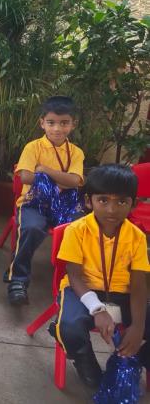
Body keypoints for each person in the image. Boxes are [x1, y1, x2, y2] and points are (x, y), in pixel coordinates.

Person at [52, 164, 150, 388]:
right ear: (89, 201)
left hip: (123, 294)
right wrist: (97, 309)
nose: (112, 209)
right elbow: (74, 276)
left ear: (133, 204)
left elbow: (138, 285)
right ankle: (87, 365)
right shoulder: (76, 230)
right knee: (69, 327)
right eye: (103, 200)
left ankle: (136, 360)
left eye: (121, 202)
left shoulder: (137, 237)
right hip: (82, 290)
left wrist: (137, 327)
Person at [5, 96, 85, 305]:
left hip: (65, 204)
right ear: (42, 123)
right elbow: (25, 176)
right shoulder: (33, 147)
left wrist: (44, 171)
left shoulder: (76, 152)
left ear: (73, 124)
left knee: (79, 227)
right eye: (51, 122)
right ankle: (18, 279)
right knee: (32, 228)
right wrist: (62, 179)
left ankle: (74, 279)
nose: (57, 128)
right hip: (34, 202)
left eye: (64, 123)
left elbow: (75, 181)